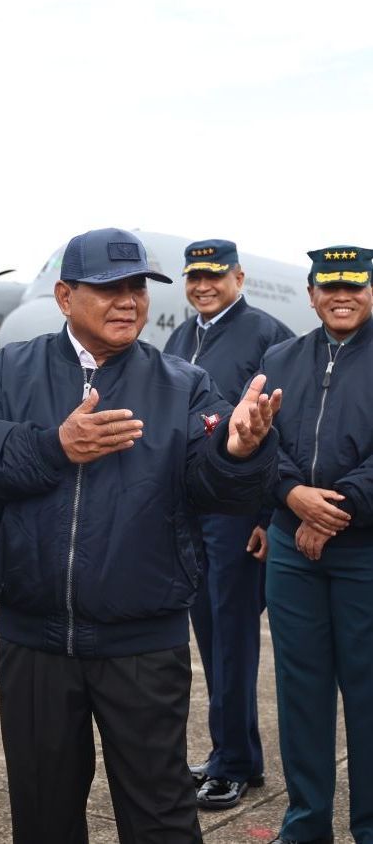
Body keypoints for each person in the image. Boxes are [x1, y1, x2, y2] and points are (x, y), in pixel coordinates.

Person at [0, 227, 281, 844]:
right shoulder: (8, 371)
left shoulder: (184, 385)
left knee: (160, 817)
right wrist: (51, 446)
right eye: (107, 288)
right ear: (65, 296)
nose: (127, 301)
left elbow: (219, 489)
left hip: (143, 646)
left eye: (136, 288)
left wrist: (239, 453)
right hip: (33, 640)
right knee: (43, 815)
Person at [164, 239, 293, 809]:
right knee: (209, 636)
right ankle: (232, 753)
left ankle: (234, 762)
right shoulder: (180, 337)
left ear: (238, 276)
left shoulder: (268, 336)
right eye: (195, 276)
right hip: (192, 510)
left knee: (233, 639)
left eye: (215, 276)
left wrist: (269, 513)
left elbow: (284, 427)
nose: (203, 285)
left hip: (239, 514)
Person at [256, 247, 373, 844]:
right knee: (300, 693)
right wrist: (292, 493)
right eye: (329, 287)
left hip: (364, 553)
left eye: (354, 285)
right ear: (310, 294)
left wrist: (332, 510)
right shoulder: (280, 358)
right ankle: (305, 826)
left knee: (368, 694)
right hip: (292, 548)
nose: (341, 295)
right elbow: (257, 440)